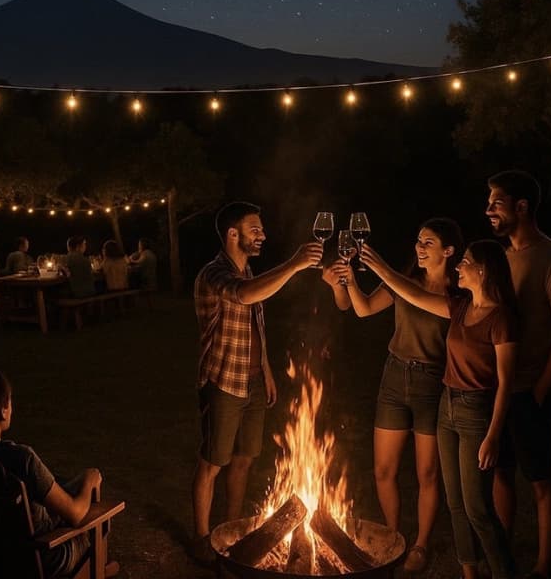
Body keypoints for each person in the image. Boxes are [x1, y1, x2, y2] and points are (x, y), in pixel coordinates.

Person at [362, 240, 518, 579]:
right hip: (447, 407)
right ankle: (469, 572)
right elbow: (414, 295)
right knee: (456, 503)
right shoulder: (460, 308)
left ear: (483, 270)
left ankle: (504, 571)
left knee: (478, 507)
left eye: (465, 262)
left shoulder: (501, 318)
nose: (459, 267)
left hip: (477, 411)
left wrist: (493, 436)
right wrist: (379, 269)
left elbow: (506, 384)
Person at [323, 217, 464, 574]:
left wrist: (380, 267)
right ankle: (394, 535)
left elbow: (416, 297)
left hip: (433, 382)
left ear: (448, 251)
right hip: (394, 377)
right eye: (418, 240)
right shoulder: (406, 280)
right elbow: (365, 308)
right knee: (383, 470)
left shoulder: (460, 292)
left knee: (427, 473)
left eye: (428, 242)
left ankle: (421, 544)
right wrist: (351, 281)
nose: (419, 247)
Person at [191, 201, 323, 563]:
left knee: (245, 458)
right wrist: (295, 263)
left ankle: (231, 528)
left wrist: (265, 370)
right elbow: (244, 296)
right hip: (222, 381)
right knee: (212, 462)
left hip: (250, 381)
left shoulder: (249, 270)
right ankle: (202, 538)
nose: (262, 234)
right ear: (233, 234)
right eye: (255, 229)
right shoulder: (214, 274)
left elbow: (256, 323)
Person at [486, 170, 551, 579]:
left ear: (522, 207)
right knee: (501, 472)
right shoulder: (502, 258)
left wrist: (542, 388)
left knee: (540, 480)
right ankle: (504, 550)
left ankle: (544, 565)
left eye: (496, 202)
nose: (488, 209)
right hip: (500, 390)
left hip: (533, 392)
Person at [0, 370, 118, 578]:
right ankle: (97, 568)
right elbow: (76, 514)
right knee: (98, 520)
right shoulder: (21, 459)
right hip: (39, 558)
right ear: (3, 411)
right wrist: (89, 480)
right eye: (10, 401)